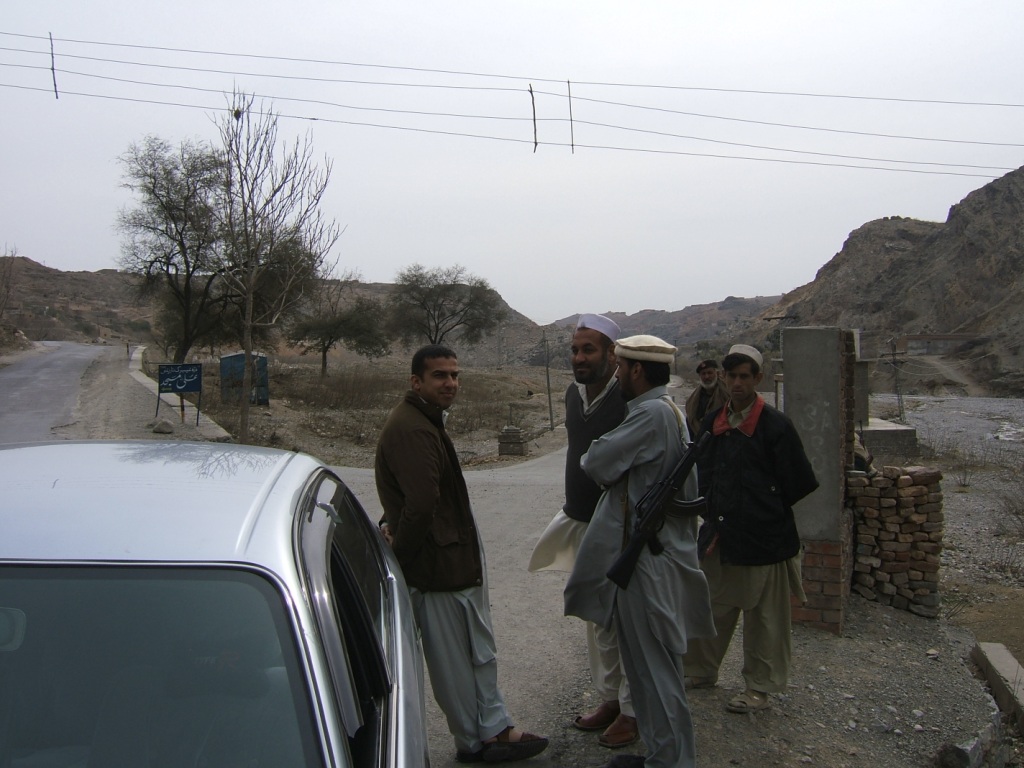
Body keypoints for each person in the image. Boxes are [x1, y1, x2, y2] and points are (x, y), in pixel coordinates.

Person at [375, 344, 549, 763]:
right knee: (457, 659)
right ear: (416, 381)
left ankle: (488, 731)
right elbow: (419, 505)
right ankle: (479, 739)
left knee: (471, 652)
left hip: (448, 561)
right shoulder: (414, 427)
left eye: (455, 375)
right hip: (438, 568)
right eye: (440, 376)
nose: (450, 383)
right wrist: (400, 552)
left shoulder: (423, 420)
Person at [564, 335, 715, 768]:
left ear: (635, 370)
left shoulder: (650, 414)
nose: (616, 373)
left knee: (655, 670)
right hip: (651, 555)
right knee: (647, 667)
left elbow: (594, 462)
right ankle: (660, 753)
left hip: (646, 562)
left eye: (621, 366)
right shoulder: (665, 410)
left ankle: (670, 760)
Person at [682, 344, 819, 715]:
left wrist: (761, 507)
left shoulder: (776, 425)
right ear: (723, 378)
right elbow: (702, 476)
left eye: (746, 376)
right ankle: (698, 671)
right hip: (720, 537)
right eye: (733, 376)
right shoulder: (714, 424)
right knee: (711, 608)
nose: (738, 383)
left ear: (758, 379)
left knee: (766, 619)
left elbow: (798, 482)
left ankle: (759, 687)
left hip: (767, 541)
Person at [527, 314, 637, 749]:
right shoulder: (574, 395)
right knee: (598, 620)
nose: (579, 358)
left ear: (612, 354)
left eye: (588, 349)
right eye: (575, 350)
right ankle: (611, 699)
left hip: (621, 529)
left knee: (627, 621)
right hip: (583, 524)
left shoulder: (629, 400)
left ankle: (634, 710)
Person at [683, 359, 728, 439]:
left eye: (710, 373)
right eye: (703, 374)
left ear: (717, 373)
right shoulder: (693, 399)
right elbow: (691, 420)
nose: (706, 377)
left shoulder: (726, 393)